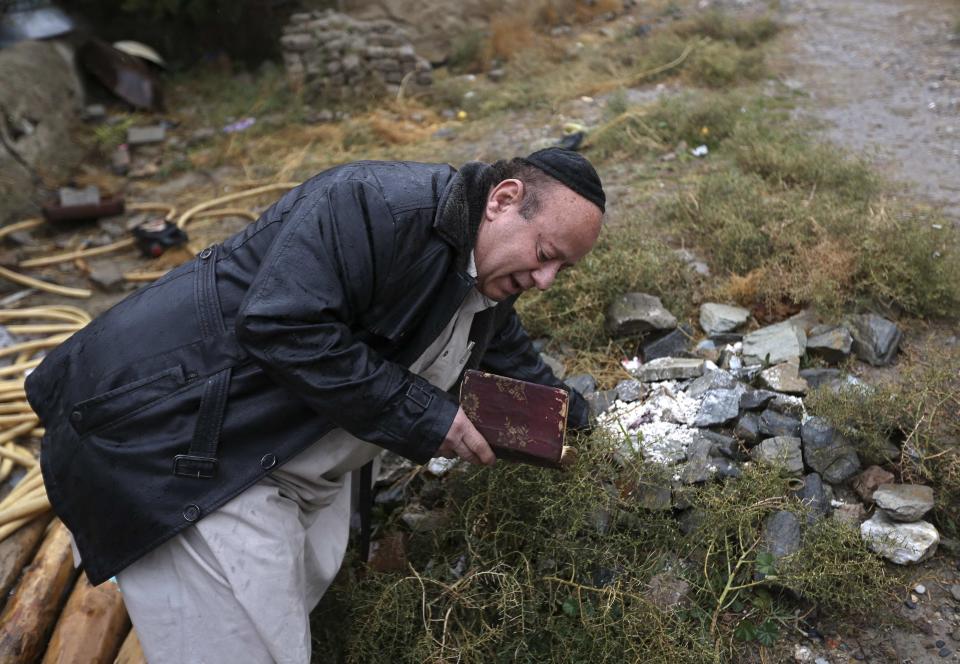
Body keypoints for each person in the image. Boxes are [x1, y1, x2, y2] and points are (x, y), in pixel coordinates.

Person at [25, 147, 605, 663]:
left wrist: (597, 428)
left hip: (277, 457)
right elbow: (282, 324)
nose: (548, 279)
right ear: (504, 200)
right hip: (181, 450)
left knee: (274, 624)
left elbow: (512, 359)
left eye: (563, 268)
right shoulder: (373, 206)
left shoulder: (484, 276)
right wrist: (427, 416)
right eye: (546, 253)